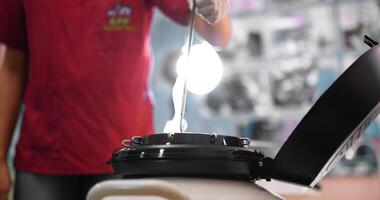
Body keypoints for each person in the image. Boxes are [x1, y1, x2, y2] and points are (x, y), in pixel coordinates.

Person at [0, 0, 232, 199]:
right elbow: (13, 65)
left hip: (126, 159)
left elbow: (220, 34)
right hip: (43, 158)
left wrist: (215, 6)